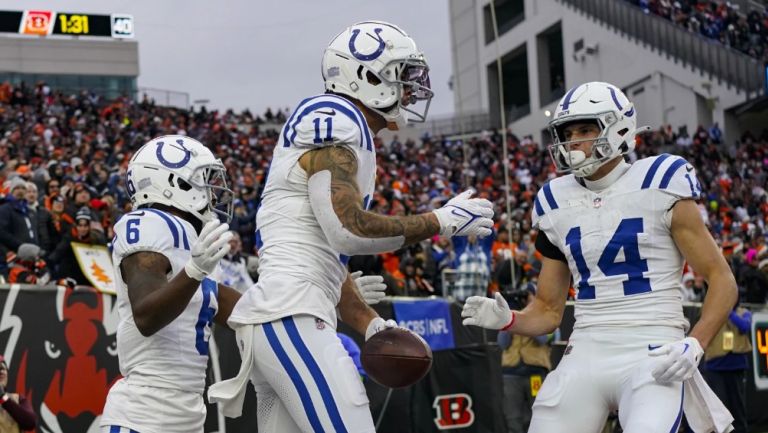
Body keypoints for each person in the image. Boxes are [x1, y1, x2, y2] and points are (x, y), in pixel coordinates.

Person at [208, 21, 494, 433]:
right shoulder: (334, 118)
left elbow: (329, 247)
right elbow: (347, 230)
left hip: (286, 317)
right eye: (402, 75)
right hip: (292, 317)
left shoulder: (347, 131)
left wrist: (369, 321)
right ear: (367, 77)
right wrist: (439, 221)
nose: (412, 89)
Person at [462, 81, 737, 432]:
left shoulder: (660, 179)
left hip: (652, 346)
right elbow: (548, 310)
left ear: (619, 128)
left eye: (585, 129)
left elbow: (722, 280)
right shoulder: (554, 200)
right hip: (587, 349)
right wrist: (509, 320)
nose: (573, 140)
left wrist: (695, 343)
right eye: (568, 132)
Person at [100, 135, 243, 433]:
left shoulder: (192, 242)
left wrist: (325, 299)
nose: (213, 195)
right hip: (143, 417)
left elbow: (248, 312)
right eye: (204, 181)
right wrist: (194, 270)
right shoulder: (149, 224)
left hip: (185, 418)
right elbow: (147, 316)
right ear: (175, 183)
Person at [497, 284, 557, 433]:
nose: (523, 301)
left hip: (535, 373)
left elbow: (543, 339)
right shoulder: (511, 315)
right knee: (512, 419)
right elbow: (502, 344)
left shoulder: (548, 316)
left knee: (537, 417)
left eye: (527, 297)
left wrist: (531, 313)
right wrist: (509, 319)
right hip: (511, 374)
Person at [703, 303, 752, 433]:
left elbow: (744, 327)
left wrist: (728, 312)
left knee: (738, 406)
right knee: (718, 407)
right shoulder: (711, 311)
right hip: (715, 366)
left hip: (736, 366)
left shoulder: (744, 312)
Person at [0, 355, 37, 432]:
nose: (1, 372)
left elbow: (30, 423)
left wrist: (3, 398)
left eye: (3, 368)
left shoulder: (18, 398)